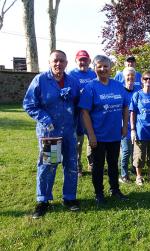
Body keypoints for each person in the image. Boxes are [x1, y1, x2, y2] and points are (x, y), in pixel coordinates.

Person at [23, 50, 81, 218]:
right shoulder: (41, 80)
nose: (58, 64)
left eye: (62, 61)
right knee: (49, 166)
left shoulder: (73, 82)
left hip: (69, 131)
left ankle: (69, 198)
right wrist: (45, 119)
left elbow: (79, 105)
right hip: (51, 132)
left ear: (66, 63)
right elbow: (29, 105)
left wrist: (79, 126)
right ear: (49, 62)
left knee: (71, 165)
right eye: (55, 60)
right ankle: (43, 200)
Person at [79, 55, 129, 204]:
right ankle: (99, 193)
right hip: (98, 135)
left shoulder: (118, 86)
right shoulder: (90, 88)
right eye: (99, 66)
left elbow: (126, 106)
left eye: (105, 66)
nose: (103, 69)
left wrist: (124, 126)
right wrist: (91, 135)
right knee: (98, 166)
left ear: (110, 67)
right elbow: (84, 112)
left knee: (114, 163)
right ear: (94, 68)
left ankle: (115, 189)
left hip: (115, 133)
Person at [68, 50, 97, 176]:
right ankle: (77, 165)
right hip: (77, 113)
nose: (83, 62)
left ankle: (91, 163)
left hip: (92, 112)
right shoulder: (71, 75)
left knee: (92, 137)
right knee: (78, 141)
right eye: (80, 59)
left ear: (89, 61)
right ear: (76, 61)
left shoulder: (93, 74)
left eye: (85, 59)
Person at [129, 70, 150, 185]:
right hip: (140, 130)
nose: (148, 81)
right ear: (142, 81)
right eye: (146, 79)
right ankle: (139, 176)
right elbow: (132, 113)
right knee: (139, 155)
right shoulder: (137, 95)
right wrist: (132, 130)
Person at [119, 67, 140, 184]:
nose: (130, 78)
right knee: (126, 150)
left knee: (134, 151)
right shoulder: (120, 91)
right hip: (124, 126)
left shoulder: (138, 90)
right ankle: (123, 175)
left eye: (132, 76)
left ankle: (132, 169)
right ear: (124, 77)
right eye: (128, 75)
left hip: (137, 125)